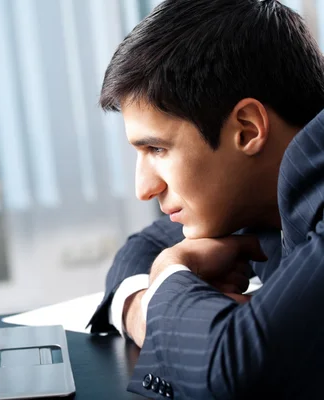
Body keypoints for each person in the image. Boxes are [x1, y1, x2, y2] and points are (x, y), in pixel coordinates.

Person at [86, 0, 324, 398]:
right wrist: (141, 307)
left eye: (157, 149)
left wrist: (169, 273)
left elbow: (236, 367)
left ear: (247, 130)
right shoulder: (259, 191)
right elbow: (145, 244)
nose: (143, 188)